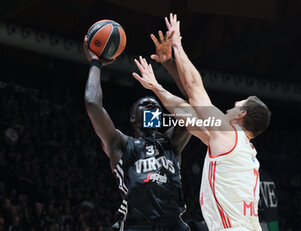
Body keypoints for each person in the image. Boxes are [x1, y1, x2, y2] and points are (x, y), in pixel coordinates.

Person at [132, 13, 271, 231]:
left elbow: (195, 90)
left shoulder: (229, 136)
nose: (228, 108)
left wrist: (178, 45)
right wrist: (158, 85)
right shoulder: (237, 148)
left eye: (236, 105)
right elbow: (189, 114)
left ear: (241, 115)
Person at [83, 32, 192, 231]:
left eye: (156, 105)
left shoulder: (172, 142)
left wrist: (168, 63)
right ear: (133, 118)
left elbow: (194, 103)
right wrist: (95, 63)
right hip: (136, 225)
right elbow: (92, 103)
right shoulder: (121, 144)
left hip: (173, 225)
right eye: (145, 104)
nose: (152, 104)